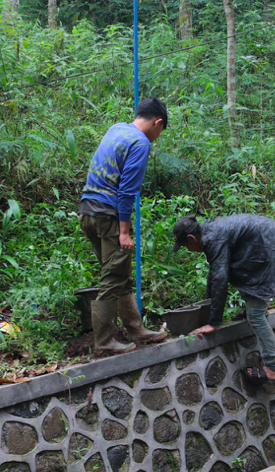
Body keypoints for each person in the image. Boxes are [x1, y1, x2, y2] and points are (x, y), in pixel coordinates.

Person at [79, 97, 169, 353]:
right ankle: (104, 342)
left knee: (119, 276)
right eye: (160, 132)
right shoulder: (140, 143)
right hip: (109, 216)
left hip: (88, 211)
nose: (157, 137)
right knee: (112, 278)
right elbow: (127, 191)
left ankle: (136, 329)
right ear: (157, 122)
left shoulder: (117, 129)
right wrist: (125, 231)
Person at [172, 214, 275, 384]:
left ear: (191, 238)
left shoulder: (214, 238)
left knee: (256, 316)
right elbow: (215, 274)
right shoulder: (211, 232)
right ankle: (254, 306)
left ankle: (273, 369)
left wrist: (214, 322)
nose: (188, 250)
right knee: (236, 267)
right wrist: (207, 310)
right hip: (272, 247)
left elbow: (220, 278)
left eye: (185, 246)